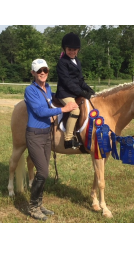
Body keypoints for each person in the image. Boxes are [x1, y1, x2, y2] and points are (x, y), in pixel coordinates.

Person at [24, 58, 78, 220]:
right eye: (39, 71)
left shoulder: (47, 88)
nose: (42, 73)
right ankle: (33, 207)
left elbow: (51, 100)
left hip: (47, 134)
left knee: (44, 171)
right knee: (43, 172)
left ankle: (39, 204)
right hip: (34, 134)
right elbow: (40, 111)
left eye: (45, 70)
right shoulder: (30, 90)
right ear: (33, 73)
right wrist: (64, 108)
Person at [55, 32, 95, 149]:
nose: (72, 52)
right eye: (69, 49)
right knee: (75, 111)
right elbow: (68, 82)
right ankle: (68, 139)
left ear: (78, 50)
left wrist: (90, 90)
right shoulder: (62, 63)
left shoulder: (77, 62)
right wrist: (82, 93)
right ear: (65, 49)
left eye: (74, 49)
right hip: (65, 93)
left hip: (74, 92)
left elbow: (80, 80)